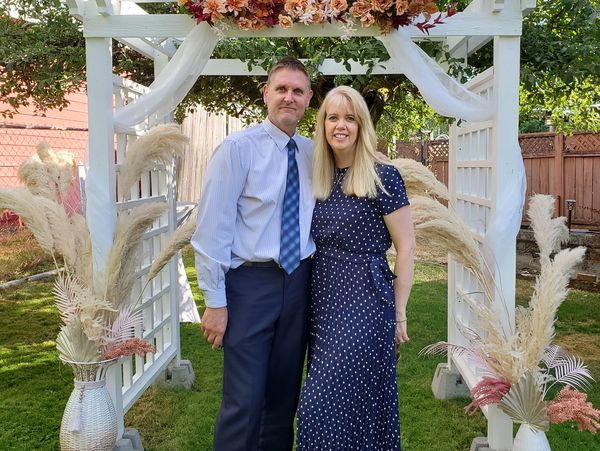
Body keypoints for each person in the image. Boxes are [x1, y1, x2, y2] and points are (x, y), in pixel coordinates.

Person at [191, 58, 314, 451]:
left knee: (283, 399)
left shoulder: (316, 153)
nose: (288, 97)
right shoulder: (236, 150)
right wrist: (214, 302)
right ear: (266, 93)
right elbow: (212, 230)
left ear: (309, 100)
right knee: (243, 402)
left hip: (300, 283)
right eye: (281, 89)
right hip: (250, 286)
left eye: (297, 91)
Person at [296, 85, 416, 450]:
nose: (341, 125)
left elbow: (407, 247)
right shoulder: (318, 175)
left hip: (367, 299)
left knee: (319, 402)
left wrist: (400, 312)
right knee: (343, 403)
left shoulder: (383, 176)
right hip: (323, 299)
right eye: (333, 117)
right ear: (322, 124)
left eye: (349, 118)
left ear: (362, 125)